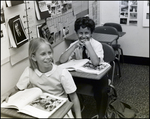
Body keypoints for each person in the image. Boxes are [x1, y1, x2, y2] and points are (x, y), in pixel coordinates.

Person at [1, 37, 82, 118]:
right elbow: (17, 88)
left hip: (61, 110)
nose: (48, 57)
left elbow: (74, 97)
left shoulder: (62, 73)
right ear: (33, 57)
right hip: (39, 109)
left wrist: (79, 117)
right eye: (43, 54)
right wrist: (6, 94)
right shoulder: (29, 71)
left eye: (49, 53)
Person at [59, 16, 109, 118]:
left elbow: (95, 63)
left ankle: (101, 114)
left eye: (86, 33)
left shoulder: (97, 45)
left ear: (91, 33)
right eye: (80, 33)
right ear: (77, 33)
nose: (83, 36)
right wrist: (73, 46)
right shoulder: (75, 44)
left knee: (102, 90)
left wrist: (88, 45)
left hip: (96, 77)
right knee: (64, 83)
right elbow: (62, 60)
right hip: (80, 76)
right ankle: (78, 105)